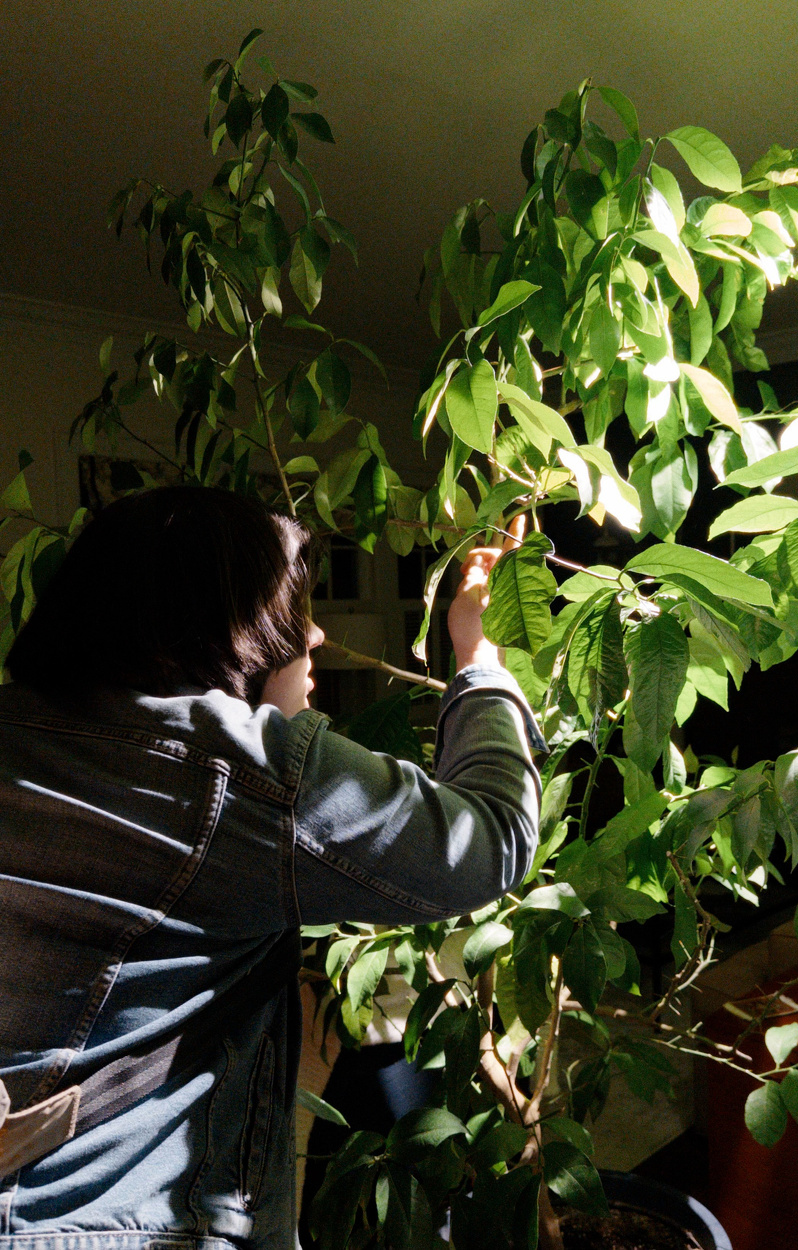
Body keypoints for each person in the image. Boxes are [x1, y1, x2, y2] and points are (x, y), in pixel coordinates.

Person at [0, 486, 541, 1250]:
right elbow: (486, 839)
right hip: (130, 1223)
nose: (314, 634)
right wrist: (480, 662)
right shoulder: (239, 767)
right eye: (290, 610)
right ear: (218, 626)